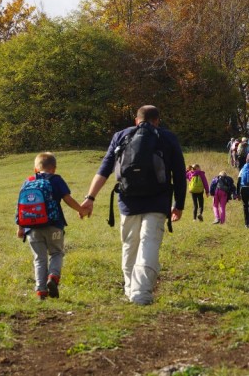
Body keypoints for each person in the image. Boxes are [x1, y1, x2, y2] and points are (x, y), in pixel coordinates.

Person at [79, 105, 186, 305]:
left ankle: (130, 289)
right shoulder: (168, 137)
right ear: (157, 121)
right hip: (157, 200)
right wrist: (178, 204)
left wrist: (90, 197)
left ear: (136, 120)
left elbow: (105, 168)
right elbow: (179, 174)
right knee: (149, 242)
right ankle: (142, 292)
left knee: (130, 245)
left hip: (128, 200)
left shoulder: (121, 136)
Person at [16, 152, 86, 299]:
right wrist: (81, 209)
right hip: (54, 225)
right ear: (54, 168)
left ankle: (41, 291)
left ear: (35, 169)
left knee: (39, 259)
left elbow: (20, 205)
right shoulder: (56, 180)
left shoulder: (28, 182)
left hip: (32, 228)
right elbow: (67, 199)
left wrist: (20, 227)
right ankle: (53, 277)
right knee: (56, 253)